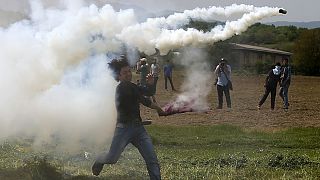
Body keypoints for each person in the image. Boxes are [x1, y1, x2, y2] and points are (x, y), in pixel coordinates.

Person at [92, 58, 166, 179]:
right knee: (112, 158)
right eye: (124, 72)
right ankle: (100, 159)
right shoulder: (122, 88)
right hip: (123, 129)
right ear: (119, 76)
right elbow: (144, 99)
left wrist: (152, 83)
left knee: (152, 160)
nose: (128, 74)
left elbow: (148, 91)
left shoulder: (132, 86)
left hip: (138, 129)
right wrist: (157, 108)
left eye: (129, 71)